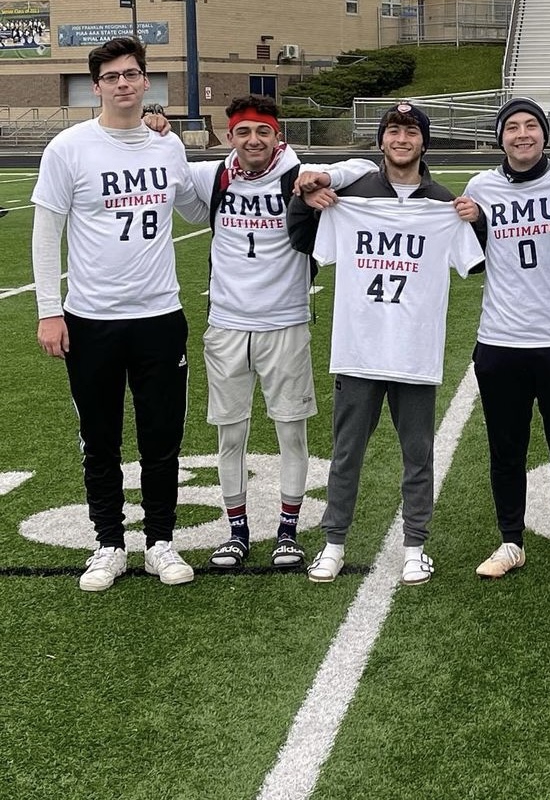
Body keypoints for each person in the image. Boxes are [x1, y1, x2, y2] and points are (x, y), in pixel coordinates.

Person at [170, 96, 374, 571]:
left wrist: (322, 178)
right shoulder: (214, 176)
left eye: (263, 132)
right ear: (229, 137)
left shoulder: (295, 173)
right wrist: (161, 132)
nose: (253, 141)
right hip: (225, 325)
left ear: (277, 136)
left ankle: (287, 531)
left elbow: (364, 165)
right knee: (230, 435)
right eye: (243, 132)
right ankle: (237, 530)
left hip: (285, 323)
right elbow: (174, 177)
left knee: (291, 432)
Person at [287, 102, 484, 585]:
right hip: (359, 349)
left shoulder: (442, 203)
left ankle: (415, 544)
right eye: (393, 130)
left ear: (423, 142)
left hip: (415, 352)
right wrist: (306, 201)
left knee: (418, 452)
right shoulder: (350, 197)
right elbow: (302, 240)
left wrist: (473, 221)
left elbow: (476, 263)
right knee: (346, 451)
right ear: (381, 140)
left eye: (411, 132)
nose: (402, 139)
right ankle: (334, 542)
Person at [31, 36, 200, 592]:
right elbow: (46, 232)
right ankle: (107, 543)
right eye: (111, 77)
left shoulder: (165, 146)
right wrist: (48, 312)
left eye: (132, 74)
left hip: (159, 315)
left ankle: (160, 542)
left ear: (145, 81)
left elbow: (195, 205)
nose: (123, 84)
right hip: (91, 318)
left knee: (162, 436)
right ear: (96, 85)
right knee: (100, 438)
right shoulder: (69, 147)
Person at [453, 99, 550, 582]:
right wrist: (475, 222)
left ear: (544, 133)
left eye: (531, 126)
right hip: (500, 338)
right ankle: (510, 540)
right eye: (512, 127)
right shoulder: (481, 186)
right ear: (500, 137)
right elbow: (471, 262)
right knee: (506, 447)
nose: (522, 135)